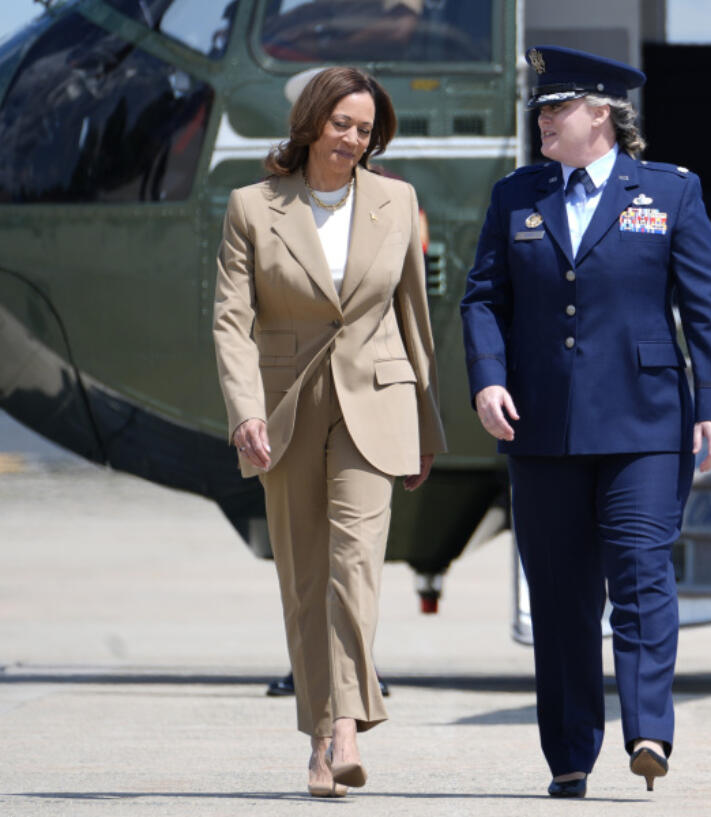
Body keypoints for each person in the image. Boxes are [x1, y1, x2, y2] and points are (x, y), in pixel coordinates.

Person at [460, 45, 711, 797]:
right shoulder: (516, 194)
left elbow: (707, 307)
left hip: (645, 422)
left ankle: (648, 731)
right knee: (560, 596)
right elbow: (482, 298)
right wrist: (488, 380)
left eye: (559, 108)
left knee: (641, 573)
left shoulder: (671, 192)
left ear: (603, 115)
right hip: (542, 424)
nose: (542, 118)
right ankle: (570, 752)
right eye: (541, 108)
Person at [213, 66, 445, 796]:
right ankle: (323, 735)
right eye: (343, 123)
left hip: (376, 404)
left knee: (355, 567)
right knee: (306, 576)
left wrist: (426, 427)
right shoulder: (253, 207)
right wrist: (245, 409)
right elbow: (230, 320)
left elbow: (414, 317)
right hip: (284, 407)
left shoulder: (397, 201)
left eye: (366, 129)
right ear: (313, 121)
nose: (353, 138)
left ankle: (342, 727)